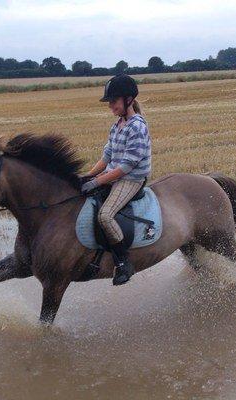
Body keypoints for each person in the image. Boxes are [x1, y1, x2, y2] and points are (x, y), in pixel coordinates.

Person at [80, 74, 152, 285]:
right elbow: (107, 158)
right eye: (109, 102)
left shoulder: (137, 126)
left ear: (128, 100)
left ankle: (123, 262)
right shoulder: (117, 125)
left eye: (113, 101)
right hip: (114, 176)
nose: (110, 106)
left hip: (131, 180)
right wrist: (89, 175)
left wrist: (97, 182)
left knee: (105, 216)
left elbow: (126, 167)